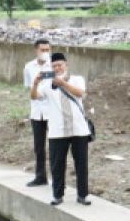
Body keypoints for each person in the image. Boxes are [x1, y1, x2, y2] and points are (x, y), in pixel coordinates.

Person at [31, 52, 91, 206]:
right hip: (57, 131)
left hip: (79, 129)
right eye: (54, 66)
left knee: (81, 164)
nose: (57, 68)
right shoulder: (47, 84)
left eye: (60, 65)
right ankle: (58, 195)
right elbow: (34, 96)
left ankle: (82, 195)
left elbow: (80, 93)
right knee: (57, 165)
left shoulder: (77, 79)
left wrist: (63, 83)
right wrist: (36, 83)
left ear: (66, 65)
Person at [22, 39, 52, 187]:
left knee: (56, 146)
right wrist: (36, 86)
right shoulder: (29, 67)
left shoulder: (54, 65)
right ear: (36, 50)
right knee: (39, 146)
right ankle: (40, 176)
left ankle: (58, 178)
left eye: (48, 49)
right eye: (43, 50)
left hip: (52, 111)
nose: (45, 52)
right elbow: (30, 90)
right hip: (37, 112)